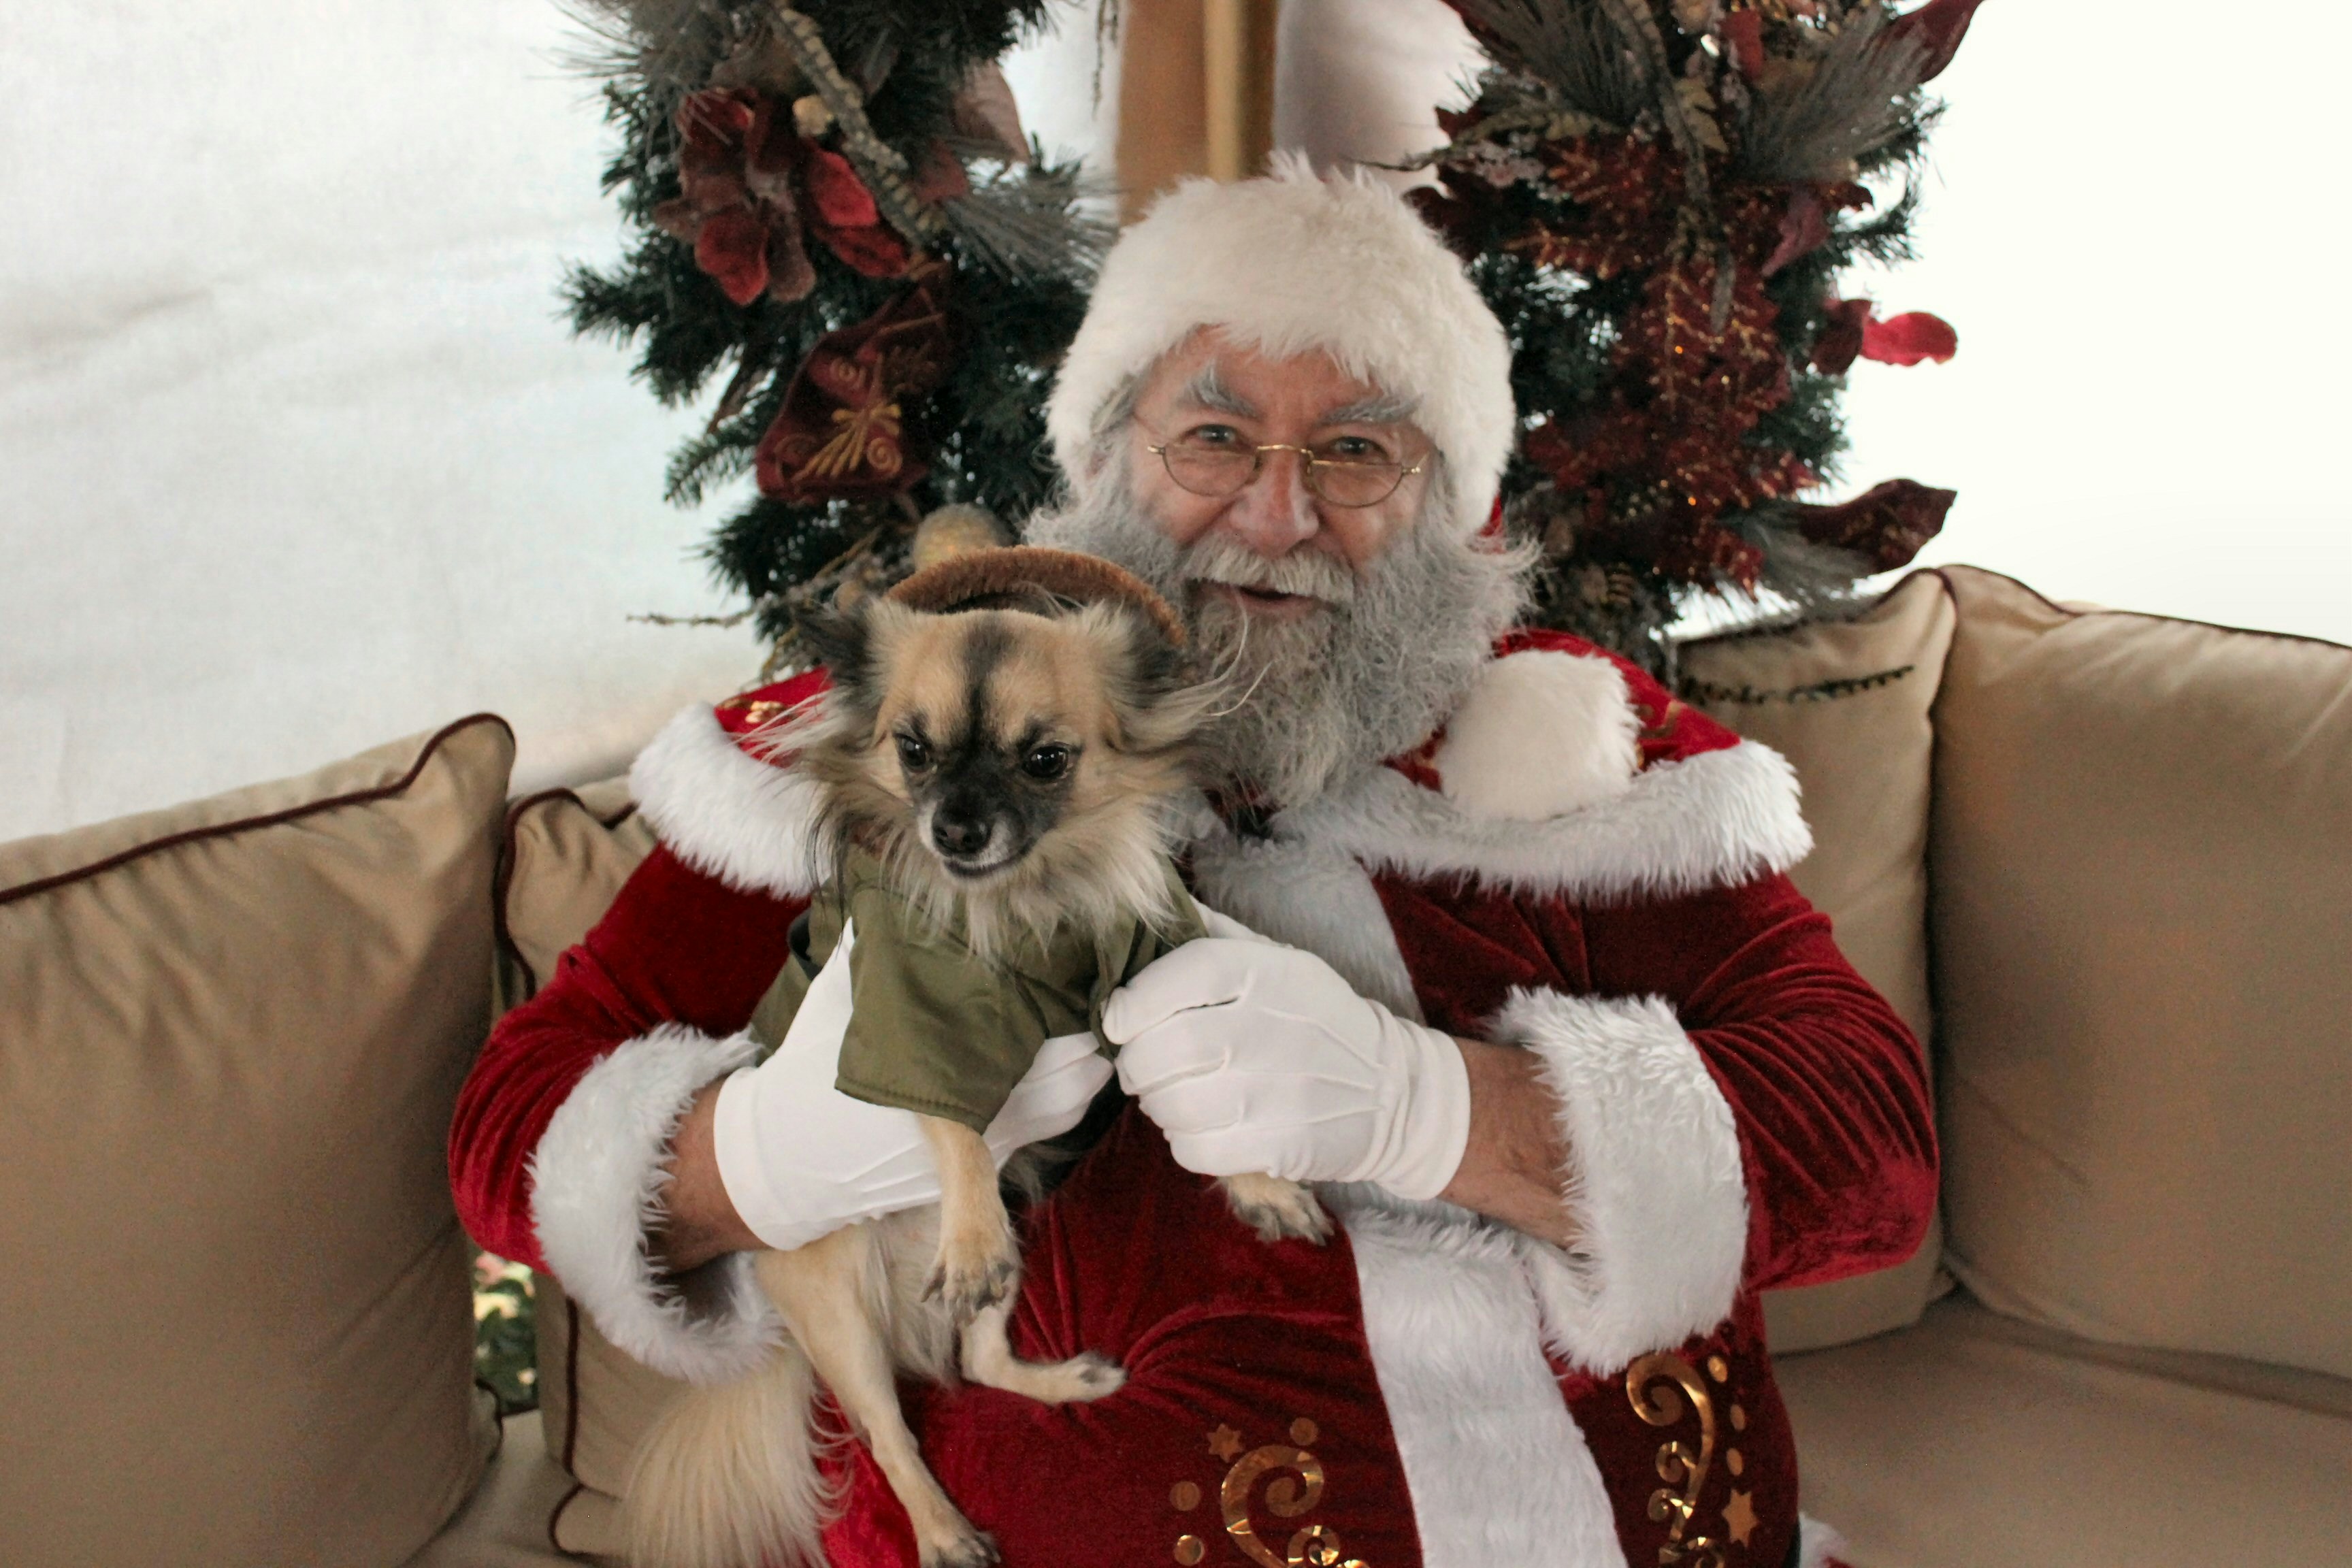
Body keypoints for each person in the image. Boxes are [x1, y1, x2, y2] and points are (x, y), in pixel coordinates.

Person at [451, 157, 1933, 1568]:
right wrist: (772, 1149)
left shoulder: (1580, 753)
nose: (1277, 515)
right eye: (1212, 438)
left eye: (1357, 451)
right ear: (1100, 462)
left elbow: (1872, 1145)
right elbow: (510, 1140)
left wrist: (1438, 1110)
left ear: (1451, 506)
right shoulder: (882, 746)